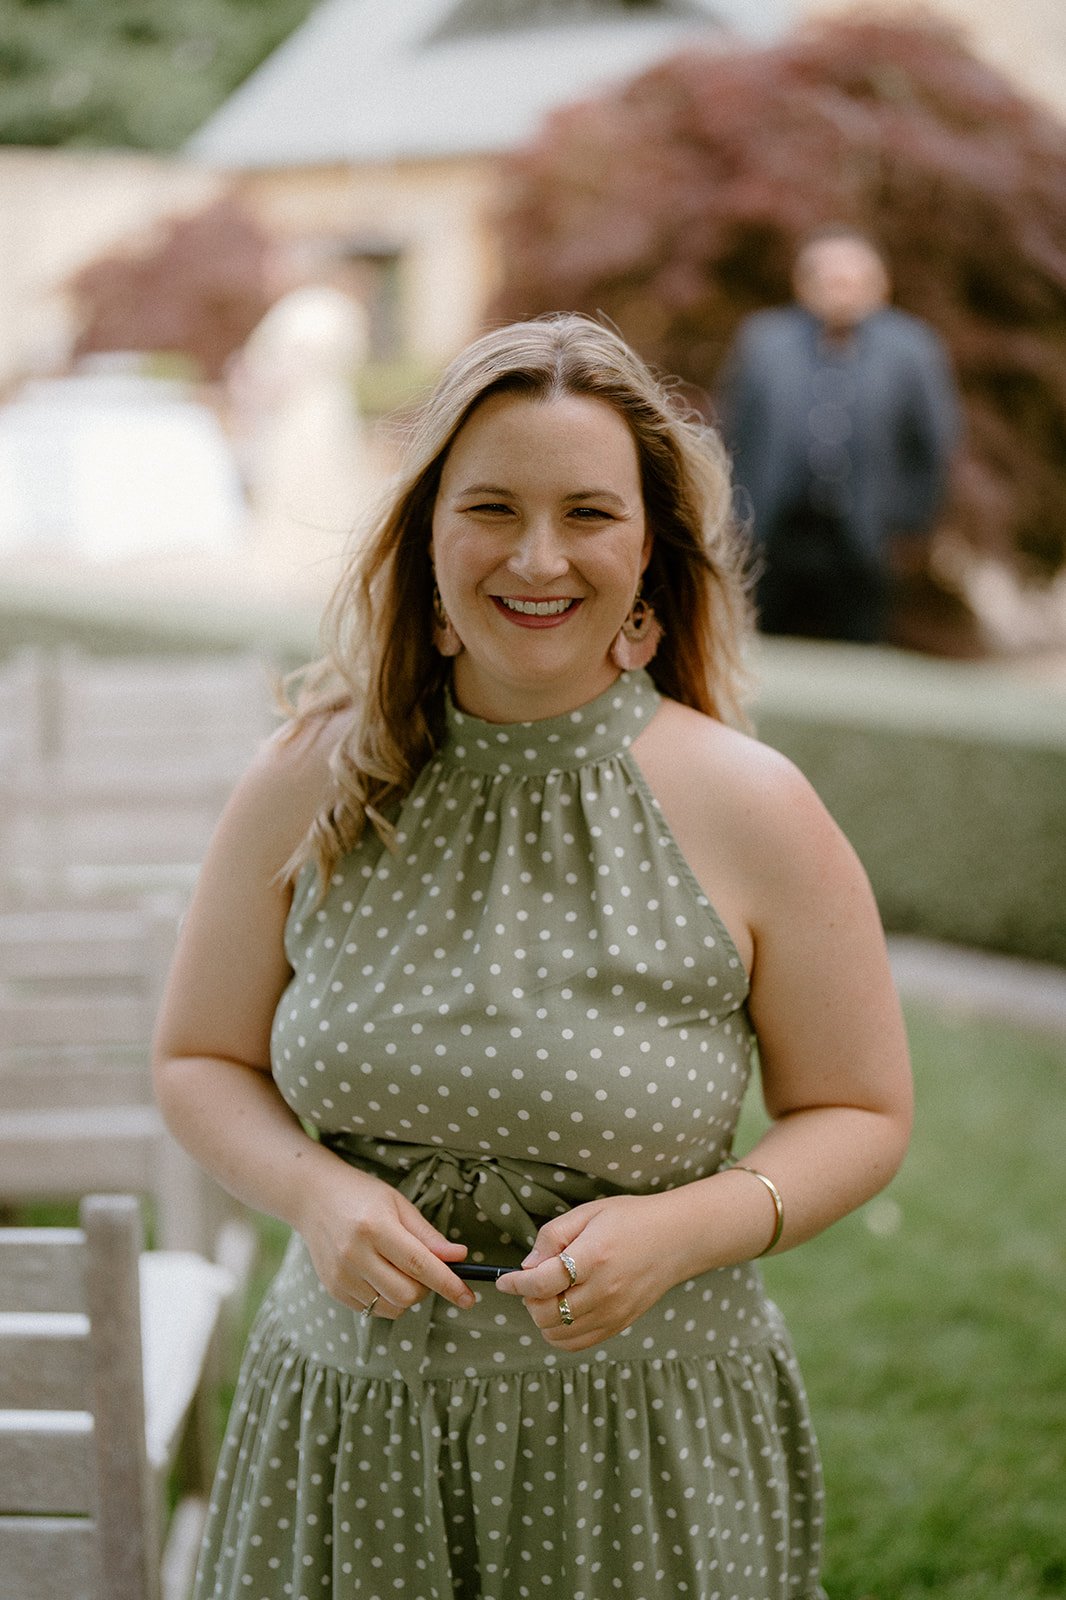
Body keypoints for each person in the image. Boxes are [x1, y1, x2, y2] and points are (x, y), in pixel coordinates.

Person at [153, 313, 914, 1600]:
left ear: (652, 553)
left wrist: (685, 1228)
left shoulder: (751, 804)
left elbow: (860, 1109)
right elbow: (196, 1057)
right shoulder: (310, 778)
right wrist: (312, 1194)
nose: (539, 556)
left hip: (642, 1447)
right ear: (427, 534)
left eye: (589, 514)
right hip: (346, 1436)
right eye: (492, 507)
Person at [718, 226, 960, 642]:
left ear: (879, 285)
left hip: (865, 539)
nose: (840, 291)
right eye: (828, 279)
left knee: (859, 657)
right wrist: (732, 512)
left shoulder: (913, 348)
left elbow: (933, 444)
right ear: (803, 283)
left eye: (851, 281)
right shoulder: (763, 341)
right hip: (772, 531)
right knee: (758, 651)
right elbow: (732, 430)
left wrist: (908, 527)